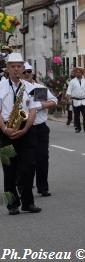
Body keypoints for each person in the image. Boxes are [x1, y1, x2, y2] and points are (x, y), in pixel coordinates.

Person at [0, 53, 40, 215]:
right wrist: (4, 129)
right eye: (13, 66)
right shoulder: (0, 86)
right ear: (7, 68)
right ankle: (12, 205)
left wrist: (25, 129)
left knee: (29, 167)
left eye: (19, 66)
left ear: (23, 68)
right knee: (8, 169)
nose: (16, 69)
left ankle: (28, 203)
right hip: (5, 130)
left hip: (26, 130)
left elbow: (34, 110)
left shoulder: (32, 87)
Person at [23, 62, 58, 197]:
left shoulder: (38, 88)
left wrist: (42, 105)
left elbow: (54, 101)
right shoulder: (19, 88)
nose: (27, 74)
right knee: (27, 159)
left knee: (42, 157)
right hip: (25, 126)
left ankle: (42, 187)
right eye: (25, 71)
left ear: (33, 73)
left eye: (29, 71)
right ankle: (25, 185)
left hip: (40, 126)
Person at [66, 67, 85, 133]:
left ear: (82, 73)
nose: (77, 73)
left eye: (79, 72)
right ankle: (77, 127)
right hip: (75, 100)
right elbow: (69, 91)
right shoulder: (72, 81)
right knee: (76, 115)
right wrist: (68, 99)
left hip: (84, 100)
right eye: (76, 72)